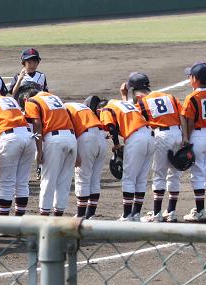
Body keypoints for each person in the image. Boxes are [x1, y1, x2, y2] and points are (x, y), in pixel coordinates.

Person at [130, 73, 184, 223]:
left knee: (159, 174)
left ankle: (157, 213)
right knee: (174, 174)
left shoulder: (142, 102)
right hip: (178, 133)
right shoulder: (169, 96)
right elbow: (183, 115)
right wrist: (184, 136)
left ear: (135, 90)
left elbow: (132, 117)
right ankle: (171, 212)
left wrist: (125, 96)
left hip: (162, 136)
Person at [19, 84, 77, 218]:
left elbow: (37, 124)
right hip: (71, 138)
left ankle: (44, 219)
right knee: (64, 181)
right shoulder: (54, 97)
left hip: (55, 140)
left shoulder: (32, 101)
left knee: (48, 181)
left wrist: (39, 150)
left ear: (26, 97)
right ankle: (58, 219)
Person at [100, 81, 154, 221]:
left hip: (136, 139)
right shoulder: (123, 104)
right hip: (150, 136)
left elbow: (111, 127)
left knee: (129, 178)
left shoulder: (105, 109)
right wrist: (124, 95)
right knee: (141, 178)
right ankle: (136, 215)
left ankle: (126, 215)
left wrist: (117, 145)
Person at [0, 88, 36, 217]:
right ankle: (19, 221)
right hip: (29, 137)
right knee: (22, 182)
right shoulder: (11, 100)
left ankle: (3, 222)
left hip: (11, 139)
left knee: (6, 183)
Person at [180, 62, 206, 222]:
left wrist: (186, 140)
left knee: (197, 175)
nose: (189, 78)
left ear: (195, 78)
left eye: (190, 76)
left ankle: (200, 211)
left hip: (197, 136)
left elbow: (189, 121)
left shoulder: (192, 97)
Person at [65, 95, 107, 219]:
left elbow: (70, 130)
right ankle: (91, 214)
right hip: (101, 137)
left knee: (82, 177)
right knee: (95, 179)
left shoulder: (64, 108)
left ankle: (81, 215)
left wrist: (75, 154)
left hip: (87, 139)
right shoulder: (85, 110)